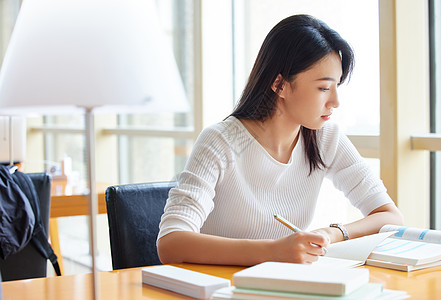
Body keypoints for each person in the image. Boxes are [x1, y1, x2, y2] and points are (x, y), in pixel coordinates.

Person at [157, 14, 403, 266]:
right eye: (323, 88)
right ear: (280, 84)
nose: (335, 101)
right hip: (221, 288)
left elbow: (390, 217)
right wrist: (273, 251)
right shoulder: (220, 141)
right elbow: (171, 243)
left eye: (337, 85)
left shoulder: (325, 137)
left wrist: (332, 233)